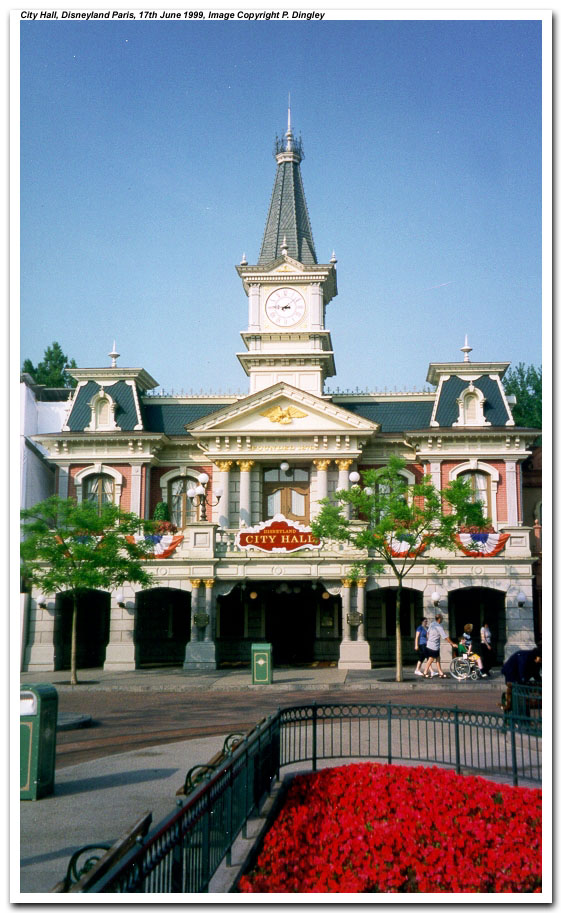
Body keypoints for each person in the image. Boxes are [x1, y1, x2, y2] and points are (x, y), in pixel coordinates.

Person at [424, 614, 457, 678]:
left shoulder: (432, 624)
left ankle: (440, 673)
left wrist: (429, 640)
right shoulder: (439, 627)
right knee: (431, 659)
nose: (442, 619)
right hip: (434, 646)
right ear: (439, 619)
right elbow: (445, 637)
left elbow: (427, 633)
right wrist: (452, 644)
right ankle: (425, 672)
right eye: (442, 618)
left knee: (438, 658)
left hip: (431, 644)